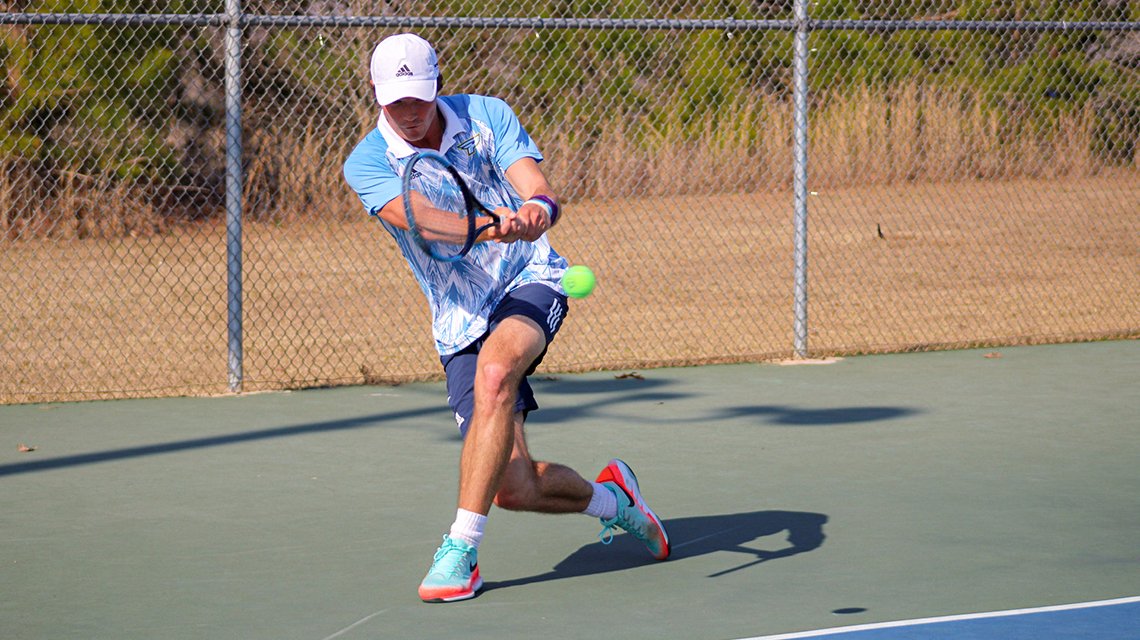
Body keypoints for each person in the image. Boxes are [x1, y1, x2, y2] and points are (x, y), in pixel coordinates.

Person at [343, 33, 670, 603]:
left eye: (418, 98)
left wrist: (536, 211)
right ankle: (614, 500)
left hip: (531, 278)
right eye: (396, 102)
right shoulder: (368, 162)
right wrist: (492, 224)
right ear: (375, 94)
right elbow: (421, 219)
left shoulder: (487, 114)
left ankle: (460, 552)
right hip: (459, 317)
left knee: (496, 374)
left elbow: (538, 189)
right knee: (511, 487)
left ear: (437, 84)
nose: (410, 113)